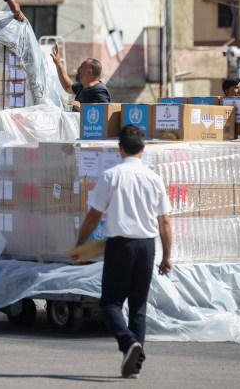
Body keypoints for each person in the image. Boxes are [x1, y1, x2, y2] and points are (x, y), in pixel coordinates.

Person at [71, 125, 172, 379]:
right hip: (146, 246)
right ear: (143, 148)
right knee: (138, 307)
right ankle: (134, 366)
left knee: (109, 304)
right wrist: (167, 256)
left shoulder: (111, 176)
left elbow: (94, 215)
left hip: (120, 246)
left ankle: (129, 344)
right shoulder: (154, 178)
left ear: (120, 149)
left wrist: (81, 241)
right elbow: (165, 223)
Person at [50, 43, 111, 112]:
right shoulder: (82, 86)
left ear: (89, 72)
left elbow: (104, 114)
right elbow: (67, 86)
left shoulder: (99, 90)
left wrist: (81, 109)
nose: (78, 69)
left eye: (81, 67)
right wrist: (58, 63)